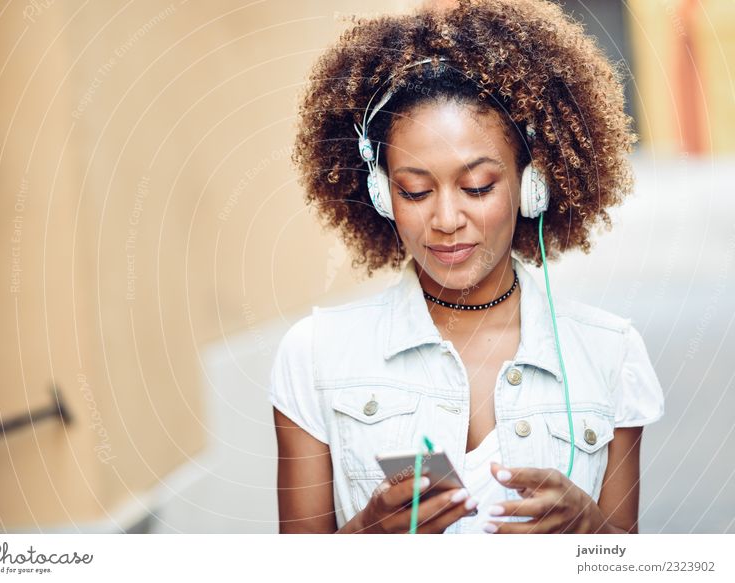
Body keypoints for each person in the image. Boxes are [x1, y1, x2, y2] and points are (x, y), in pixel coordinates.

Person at [269, 0, 665, 534]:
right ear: (382, 196)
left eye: (478, 187)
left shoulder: (611, 354)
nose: (446, 219)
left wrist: (591, 532)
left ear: (533, 184)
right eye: (414, 191)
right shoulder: (314, 356)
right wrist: (365, 537)